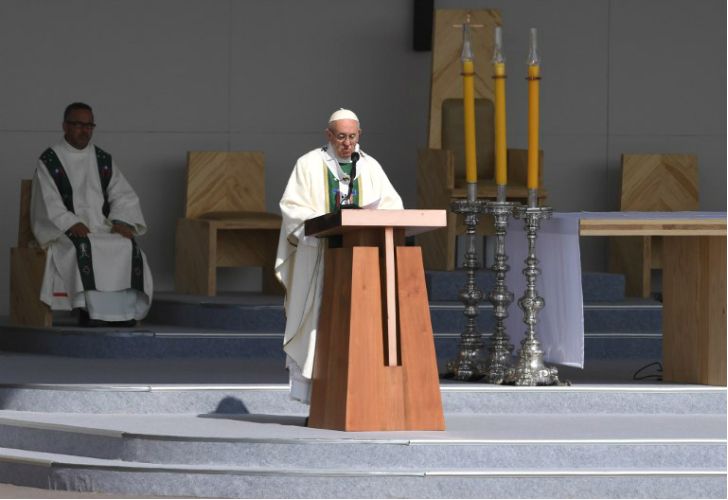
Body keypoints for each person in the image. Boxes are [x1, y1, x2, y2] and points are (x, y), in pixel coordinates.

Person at [275, 109, 403, 404]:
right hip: (319, 256)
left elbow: (393, 204)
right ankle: (317, 400)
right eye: (341, 137)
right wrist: (324, 221)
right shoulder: (308, 165)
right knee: (316, 324)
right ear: (328, 135)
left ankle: (359, 396)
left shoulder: (369, 167)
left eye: (352, 137)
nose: (347, 143)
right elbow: (292, 207)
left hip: (360, 261)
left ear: (360, 135)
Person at [30, 102, 153, 327]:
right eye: (78, 124)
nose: (84, 130)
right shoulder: (50, 160)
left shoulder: (102, 159)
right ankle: (89, 311)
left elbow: (122, 194)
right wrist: (70, 222)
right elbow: (48, 202)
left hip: (102, 226)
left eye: (89, 125)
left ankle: (122, 313)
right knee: (85, 247)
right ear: (65, 126)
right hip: (67, 231)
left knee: (127, 246)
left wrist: (121, 220)